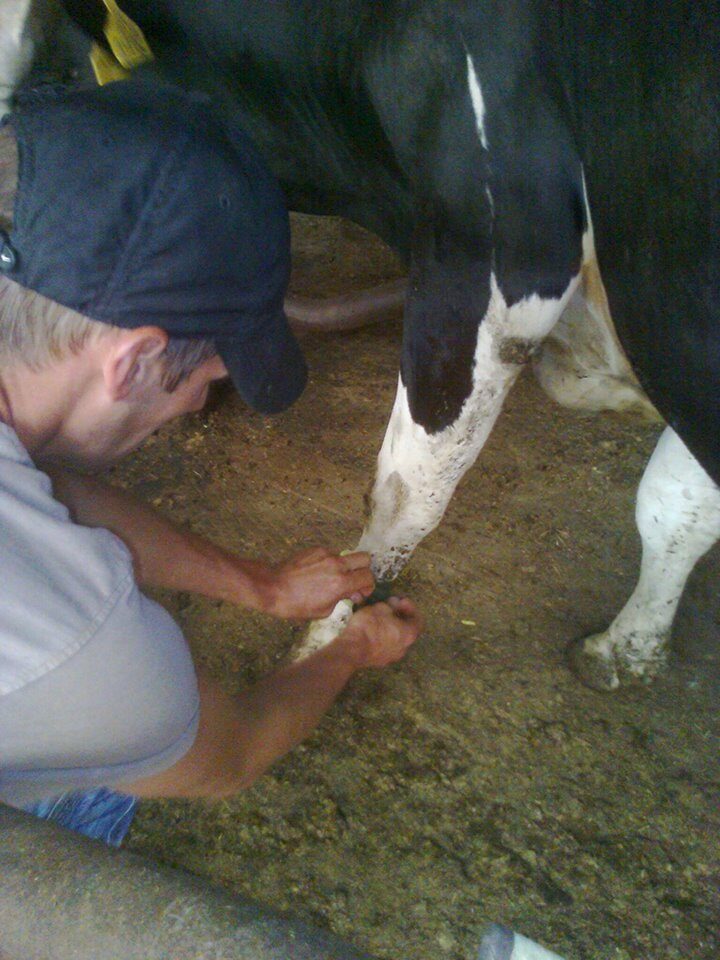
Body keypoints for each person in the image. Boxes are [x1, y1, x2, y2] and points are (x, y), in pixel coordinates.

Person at [0, 78, 421, 822]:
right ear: (132, 362)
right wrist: (354, 648)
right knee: (83, 803)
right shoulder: (72, 646)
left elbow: (45, 489)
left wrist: (264, 588)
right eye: (207, 378)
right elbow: (231, 751)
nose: (197, 403)